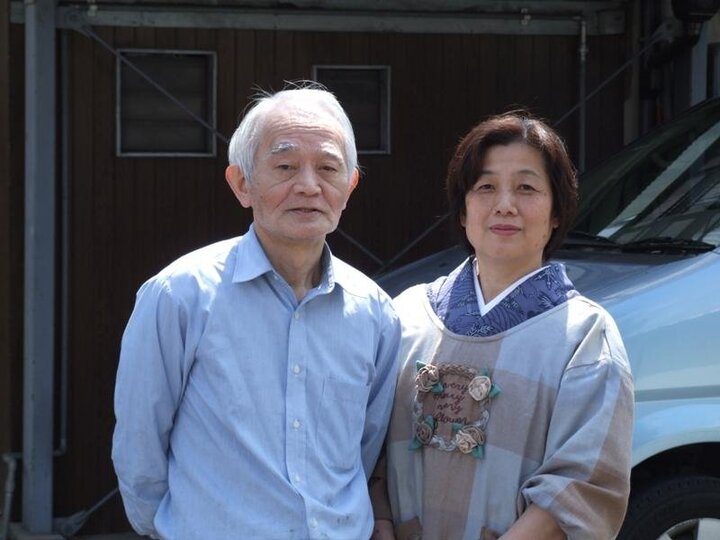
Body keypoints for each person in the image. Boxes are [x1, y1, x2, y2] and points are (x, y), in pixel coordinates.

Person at [112, 84, 402, 539]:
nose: (308, 185)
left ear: (349, 187)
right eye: (285, 166)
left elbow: (364, 446)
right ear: (242, 184)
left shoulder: (375, 312)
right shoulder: (181, 295)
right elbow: (139, 444)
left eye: (328, 168)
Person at [371, 112, 634, 540]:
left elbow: (584, 484)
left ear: (555, 213)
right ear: (463, 210)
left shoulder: (585, 336)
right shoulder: (406, 316)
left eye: (526, 188)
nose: (504, 204)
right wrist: (381, 522)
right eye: (486, 186)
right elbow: (370, 451)